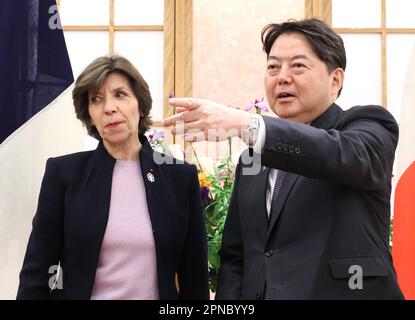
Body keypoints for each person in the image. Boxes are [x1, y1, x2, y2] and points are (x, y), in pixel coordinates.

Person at [163, 18, 404, 299]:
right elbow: (237, 257)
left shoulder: (368, 125)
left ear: (335, 79)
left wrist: (247, 124)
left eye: (298, 66)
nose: (282, 77)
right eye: (273, 67)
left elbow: (340, 155)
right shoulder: (251, 161)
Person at [17, 55, 209, 300]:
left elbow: (195, 281)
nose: (109, 107)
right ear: (89, 114)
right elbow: (36, 274)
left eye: (120, 95)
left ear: (140, 105)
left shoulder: (180, 178)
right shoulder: (63, 174)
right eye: (96, 99)